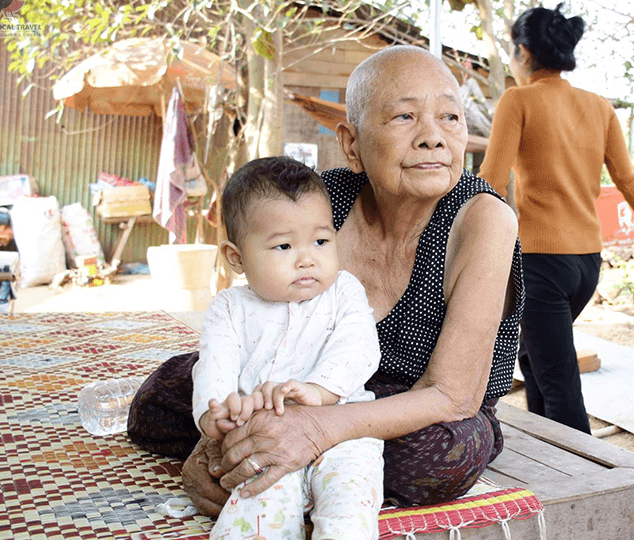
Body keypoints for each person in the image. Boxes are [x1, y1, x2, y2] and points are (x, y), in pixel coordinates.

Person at [127, 44, 524, 517]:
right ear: (352, 144)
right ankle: (283, 460)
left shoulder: (483, 218)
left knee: (439, 456)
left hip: (418, 406)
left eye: (450, 118)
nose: (432, 138)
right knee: (162, 393)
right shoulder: (325, 199)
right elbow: (258, 313)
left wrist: (314, 429)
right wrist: (216, 436)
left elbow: (453, 396)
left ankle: (282, 461)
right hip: (294, 379)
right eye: (404, 117)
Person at [478, 3, 634, 434]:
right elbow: (627, 180)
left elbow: (490, 184)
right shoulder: (599, 107)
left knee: (558, 381)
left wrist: (445, 231)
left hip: (539, 265)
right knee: (533, 358)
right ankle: (548, 452)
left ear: (524, 53)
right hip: (586, 266)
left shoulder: (518, 101)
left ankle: (587, 478)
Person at [194, 156, 383, 539]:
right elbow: (214, 365)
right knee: (254, 511)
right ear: (236, 258)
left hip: (342, 433)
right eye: (283, 245)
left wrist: (319, 390)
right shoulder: (229, 308)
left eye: (321, 240)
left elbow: (358, 348)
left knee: (349, 514)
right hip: (262, 437)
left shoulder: (344, 291)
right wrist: (216, 413)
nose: (307, 258)